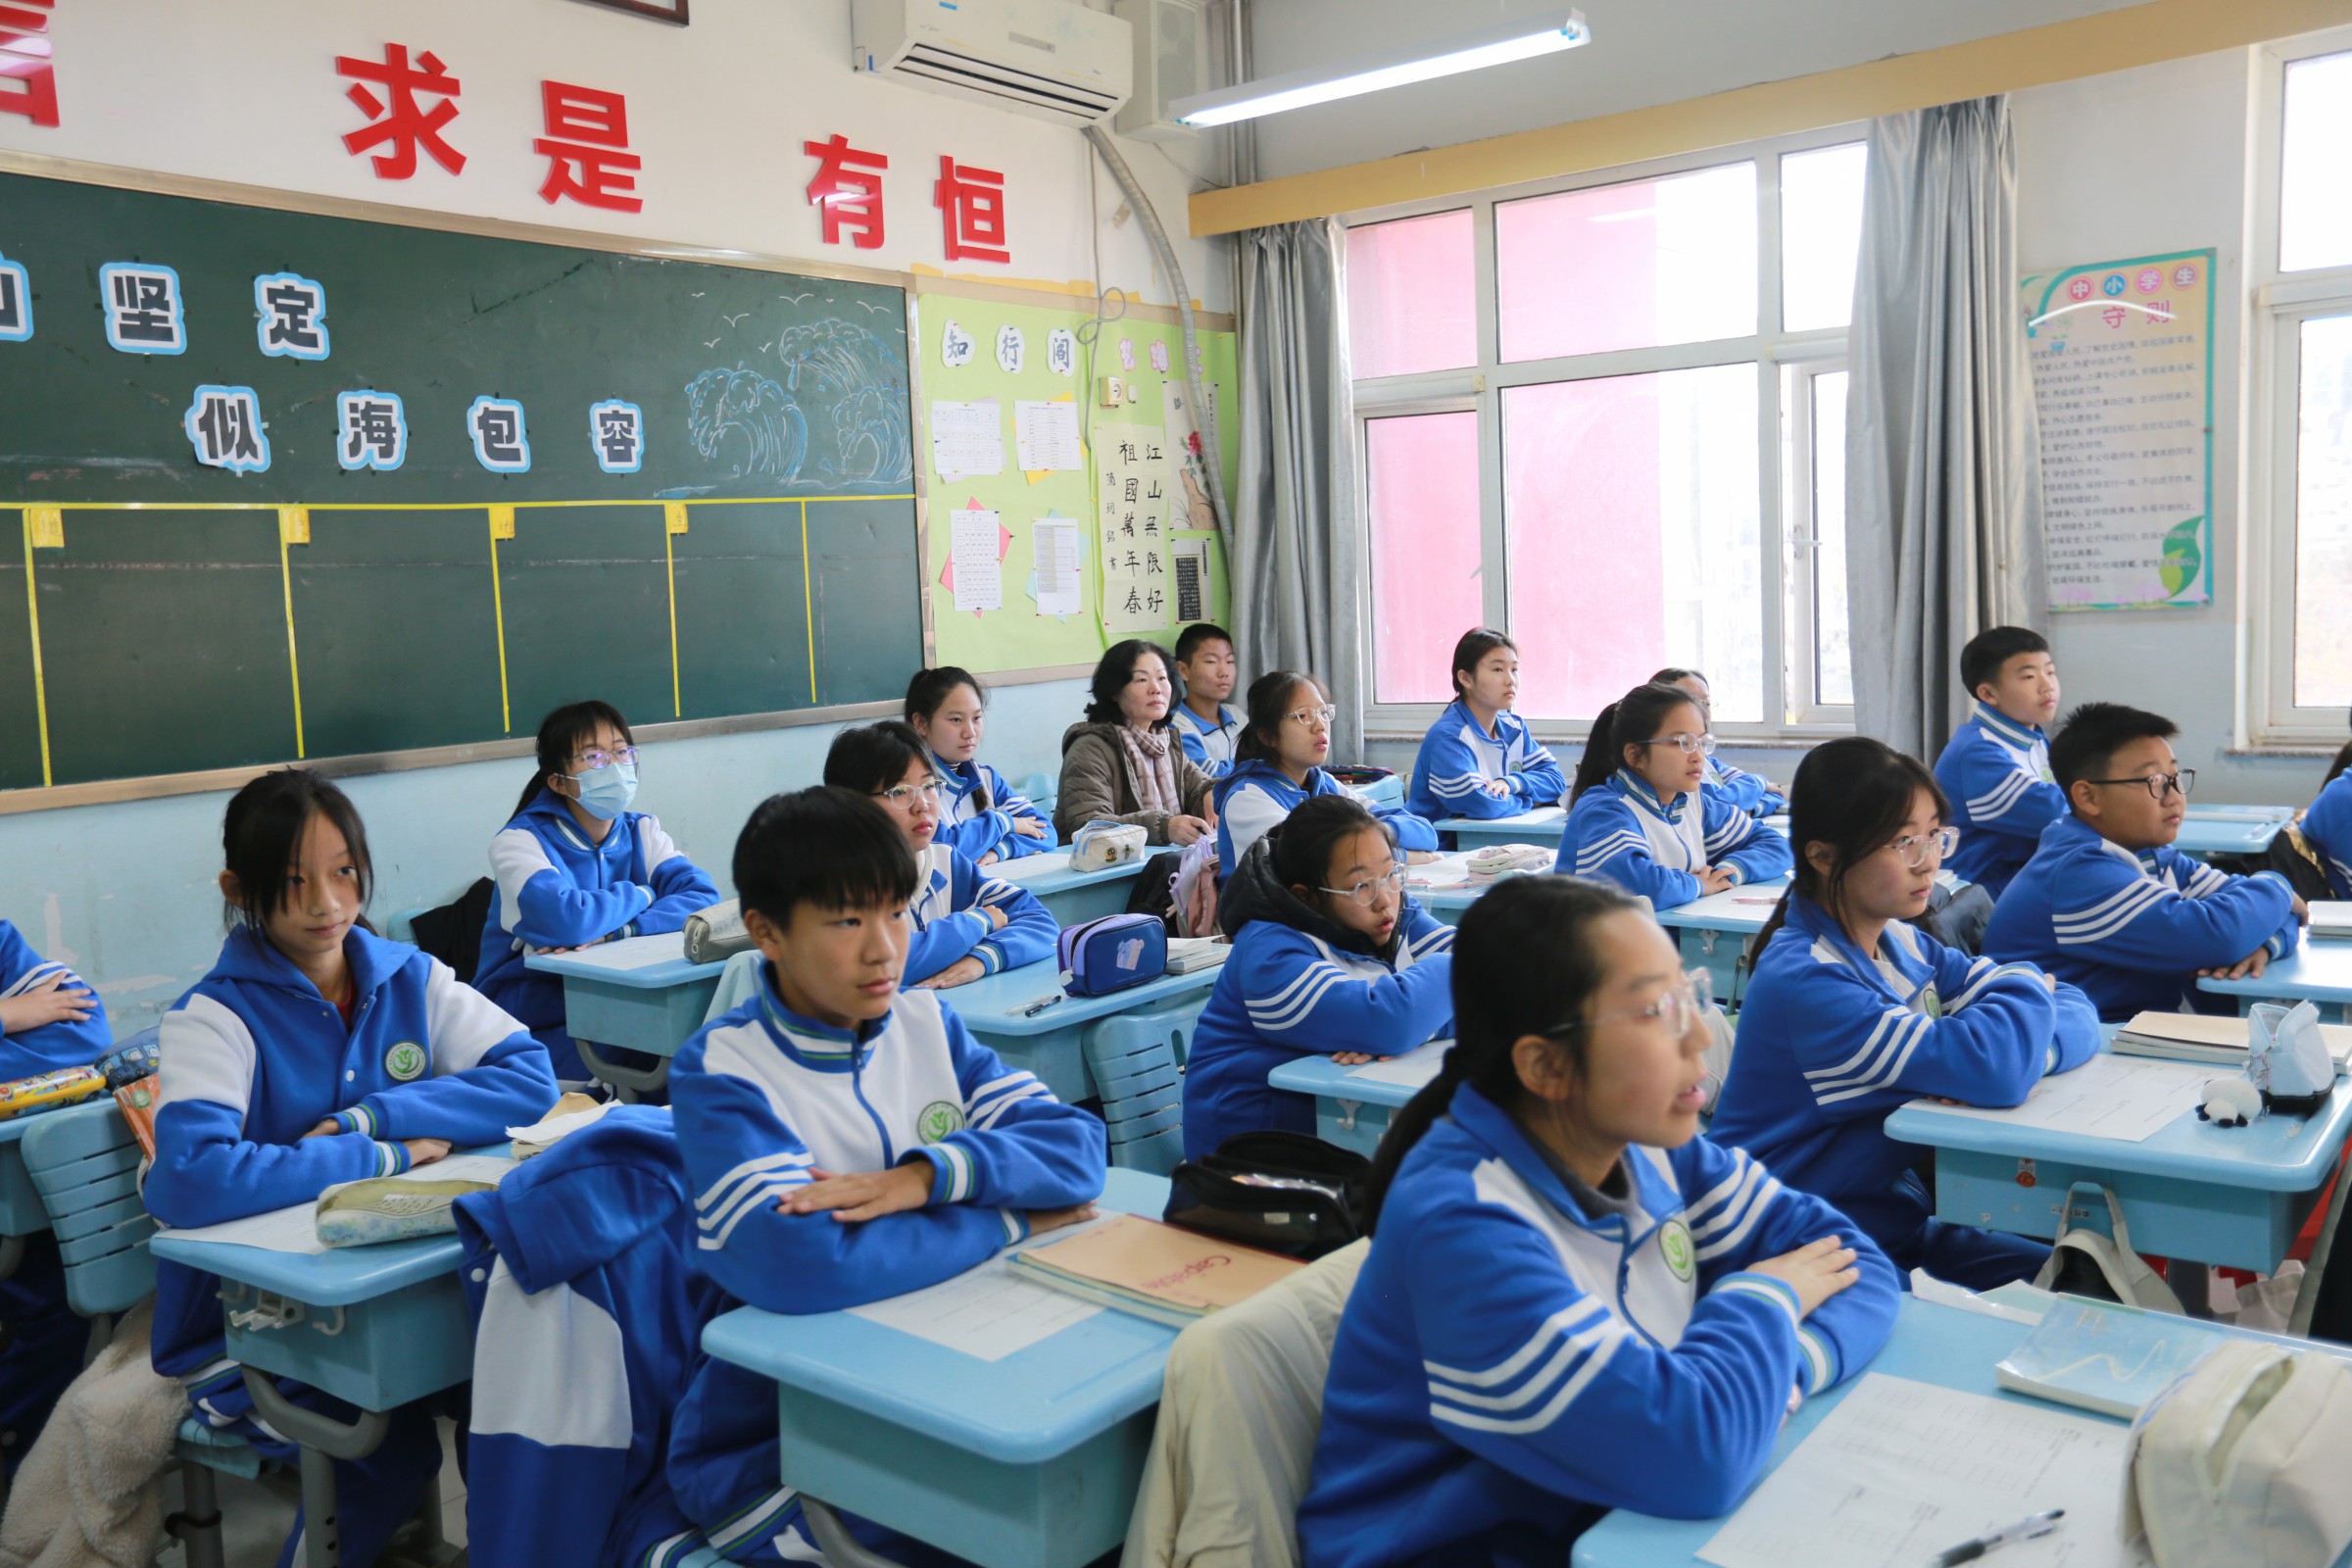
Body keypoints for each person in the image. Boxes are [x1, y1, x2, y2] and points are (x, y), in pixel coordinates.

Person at [1296, 876, 1899, 1567]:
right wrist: (1766, 1298)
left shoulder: (1647, 1146)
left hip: (1602, 1516)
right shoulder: (1464, 1224)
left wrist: (1772, 1380)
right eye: (1655, 1011)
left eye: (1689, 994)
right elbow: (1698, 1458)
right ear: (1546, 1066)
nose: (1701, 1033)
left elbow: (1856, 1262)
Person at [666, 787, 1104, 1562]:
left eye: (897, 913)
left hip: (950, 1379)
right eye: (846, 921)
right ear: (766, 932)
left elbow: (1076, 1151)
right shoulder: (725, 1068)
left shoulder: (926, 1023)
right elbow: (802, 1263)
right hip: (781, 1441)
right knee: (1022, 1527)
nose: (884, 950)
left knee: (1095, 1488)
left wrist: (927, 1178)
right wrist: (1011, 1219)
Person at [148, 770, 557, 1568]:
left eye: (343, 872)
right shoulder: (215, 1016)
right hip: (252, 1329)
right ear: (239, 890)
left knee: (514, 1397)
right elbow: (190, 1178)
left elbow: (529, 1078)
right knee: (384, 1449)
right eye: (292, 882)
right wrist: (381, 1156)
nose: (327, 903)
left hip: (401, 1296)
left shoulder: (409, 976)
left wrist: (374, 1115)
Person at [1708, 738, 2101, 1289]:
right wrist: (2024, 1004)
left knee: (2086, 1278)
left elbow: (2079, 1009)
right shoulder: (1810, 981)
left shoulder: (1899, 942)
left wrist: (2035, 1051)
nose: (1929, 861)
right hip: (1794, 1247)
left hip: (1885, 1222)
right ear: (1823, 855)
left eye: (1934, 835)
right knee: (2061, 1294)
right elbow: (1998, 1067)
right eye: (1903, 842)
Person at [1985, 703, 2307, 1020]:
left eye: (2175, 776)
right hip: (2076, 1039)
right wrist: (2276, 886)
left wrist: (2269, 942)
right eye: (2154, 781)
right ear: (2088, 797)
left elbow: (2262, 911)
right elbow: (2221, 934)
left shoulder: (2146, 852)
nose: (2175, 796)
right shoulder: (2079, 874)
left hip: (2128, 1027)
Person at [1183, 796, 1453, 1158]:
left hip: (1339, 1128)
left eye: (1391, 873)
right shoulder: (1268, 954)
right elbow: (1391, 1019)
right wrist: (1410, 1019)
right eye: (1360, 886)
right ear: (1307, 897)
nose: (1384, 899)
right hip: (1253, 1159)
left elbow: (1501, 978)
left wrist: (1419, 1025)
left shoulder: (1391, 912)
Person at [475, 701, 719, 1082]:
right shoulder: (519, 842)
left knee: (697, 1051)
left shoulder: (642, 830)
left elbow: (703, 898)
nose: (615, 766)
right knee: (661, 1065)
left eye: (621, 752)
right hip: (531, 1023)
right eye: (594, 757)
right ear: (558, 781)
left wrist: (621, 930)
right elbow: (569, 921)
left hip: (619, 1003)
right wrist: (644, 894)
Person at [823, 721, 1056, 989]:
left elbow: (1040, 922)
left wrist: (982, 959)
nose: (922, 805)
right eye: (899, 792)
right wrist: (978, 921)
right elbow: (880, 963)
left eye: (928, 786)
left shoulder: (944, 862)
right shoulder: (832, 883)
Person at [0, 919, 110, 1469]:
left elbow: (82, 1036)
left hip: (19, 1206)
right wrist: (6, 1017)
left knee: (66, 1297)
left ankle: (24, 1468)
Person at [1556, 681, 1791, 910]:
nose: (1698, 756)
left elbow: (1777, 846)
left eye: (1701, 742)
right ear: (1635, 755)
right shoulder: (1605, 810)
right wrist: (1698, 884)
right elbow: (1643, 885)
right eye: (1682, 742)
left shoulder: (1692, 802)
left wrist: (1727, 872)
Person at [1211, 669, 1437, 870]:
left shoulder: (1324, 785)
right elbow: (1317, 863)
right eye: (1303, 716)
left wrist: (1372, 835)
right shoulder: (1247, 797)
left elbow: (1425, 833)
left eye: (1323, 713)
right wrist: (1398, 855)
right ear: (1268, 736)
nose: (1320, 726)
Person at [1932, 627, 2066, 897]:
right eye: (2029, 676)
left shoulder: (2032, 739)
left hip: (2023, 879)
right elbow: (2054, 813)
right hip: (1982, 895)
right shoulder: (1977, 752)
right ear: (1988, 694)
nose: (2047, 685)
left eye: (2050, 672)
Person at [1055, 639, 1216, 846]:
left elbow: (1199, 786)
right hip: (1098, 864)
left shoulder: (1163, 741)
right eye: (1141, 680)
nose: (1156, 689)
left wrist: (1210, 793)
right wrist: (1164, 827)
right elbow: (1089, 824)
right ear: (1114, 691)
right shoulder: (1090, 748)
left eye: (1162, 677)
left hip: (1157, 860)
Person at [1406, 628, 1565, 824]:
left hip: (1493, 837)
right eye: (1498, 669)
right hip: (1442, 841)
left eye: (1514, 670)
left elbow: (1555, 780)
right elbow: (1483, 805)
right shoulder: (1449, 737)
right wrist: (1532, 800)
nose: (1510, 680)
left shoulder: (1513, 727)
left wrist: (1512, 783)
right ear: (1465, 678)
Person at [904, 665, 1055, 865]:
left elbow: (1045, 831)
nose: (970, 732)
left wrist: (1000, 850)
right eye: (956, 720)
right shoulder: (912, 789)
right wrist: (1003, 822)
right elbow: (943, 850)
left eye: (976, 718)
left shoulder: (986, 779)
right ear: (921, 723)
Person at [1651, 666, 1786, 815]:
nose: (1702, 711)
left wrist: (1751, 809)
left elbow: (1776, 795)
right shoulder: (1675, 767)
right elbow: (1717, 804)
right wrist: (1760, 783)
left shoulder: (1707, 761)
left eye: (1706, 703)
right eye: (1691, 701)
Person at [1170, 622, 1245, 780]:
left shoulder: (1237, 715)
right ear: (1183, 670)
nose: (1224, 672)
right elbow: (1211, 776)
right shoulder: (1174, 725)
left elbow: (1269, 758)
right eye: (1211, 662)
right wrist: (1254, 765)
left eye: (1229, 661)